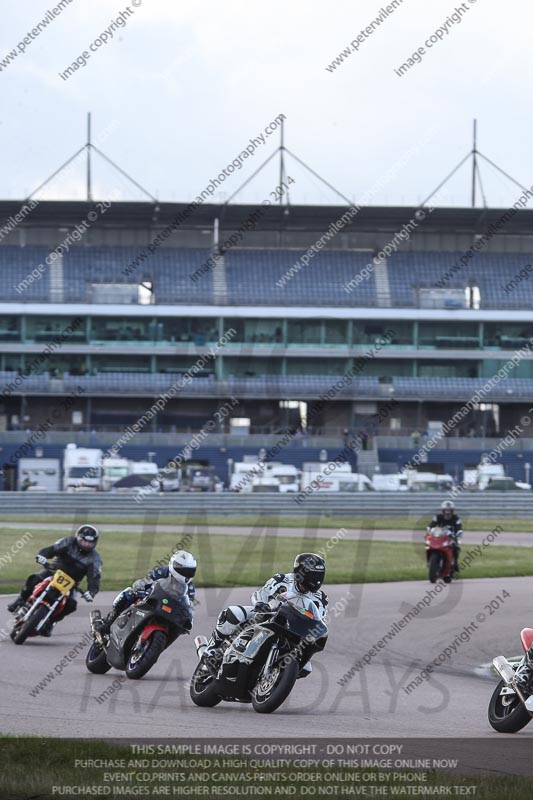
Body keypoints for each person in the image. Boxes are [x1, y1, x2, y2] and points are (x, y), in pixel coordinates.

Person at [204, 553, 328, 677]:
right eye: (313, 575)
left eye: (319, 575)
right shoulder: (283, 580)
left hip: (294, 630)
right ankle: (211, 650)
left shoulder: (321, 598)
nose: (316, 579)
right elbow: (261, 593)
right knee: (233, 613)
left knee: (306, 668)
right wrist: (260, 603)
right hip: (268, 615)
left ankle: (274, 679)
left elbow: (319, 620)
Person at [7, 525, 102, 636]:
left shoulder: (95, 559)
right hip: (53, 571)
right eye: (84, 541)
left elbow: (94, 577)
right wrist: (42, 556)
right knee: (35, 579)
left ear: (95, 542)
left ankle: (51, 622)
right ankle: (20, 600)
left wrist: (91, 592)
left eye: (90, 543)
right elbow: (51, 549)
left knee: (71, 605)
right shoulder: (68, 542)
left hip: (71, 584)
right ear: (78, 538)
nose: (86, 544)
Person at [94, 550, 197, 634]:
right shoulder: (162, 572)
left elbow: (189, 605)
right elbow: (145, 581)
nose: (187, 574)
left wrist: (188, 617)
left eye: (191, 571)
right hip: (153, 600)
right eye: (184, 571)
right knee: (129, 592)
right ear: (174, 566)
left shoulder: (190, 587)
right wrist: (139, 589)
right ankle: (110, 621)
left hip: (169, 611)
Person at [427, 500, 463, 572]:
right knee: (429, 545)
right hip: (440, 535)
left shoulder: (456, 518)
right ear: (443, 510)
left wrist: (458, 533)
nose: (447, 513)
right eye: (446, 510)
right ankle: (430, 561)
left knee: (456, 547)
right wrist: (429, 530)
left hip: (451, 536)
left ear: (452, 511)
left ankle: (455, 563)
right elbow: (431, 525)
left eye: (449, 511)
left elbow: (459, 528)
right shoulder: (438, 517)